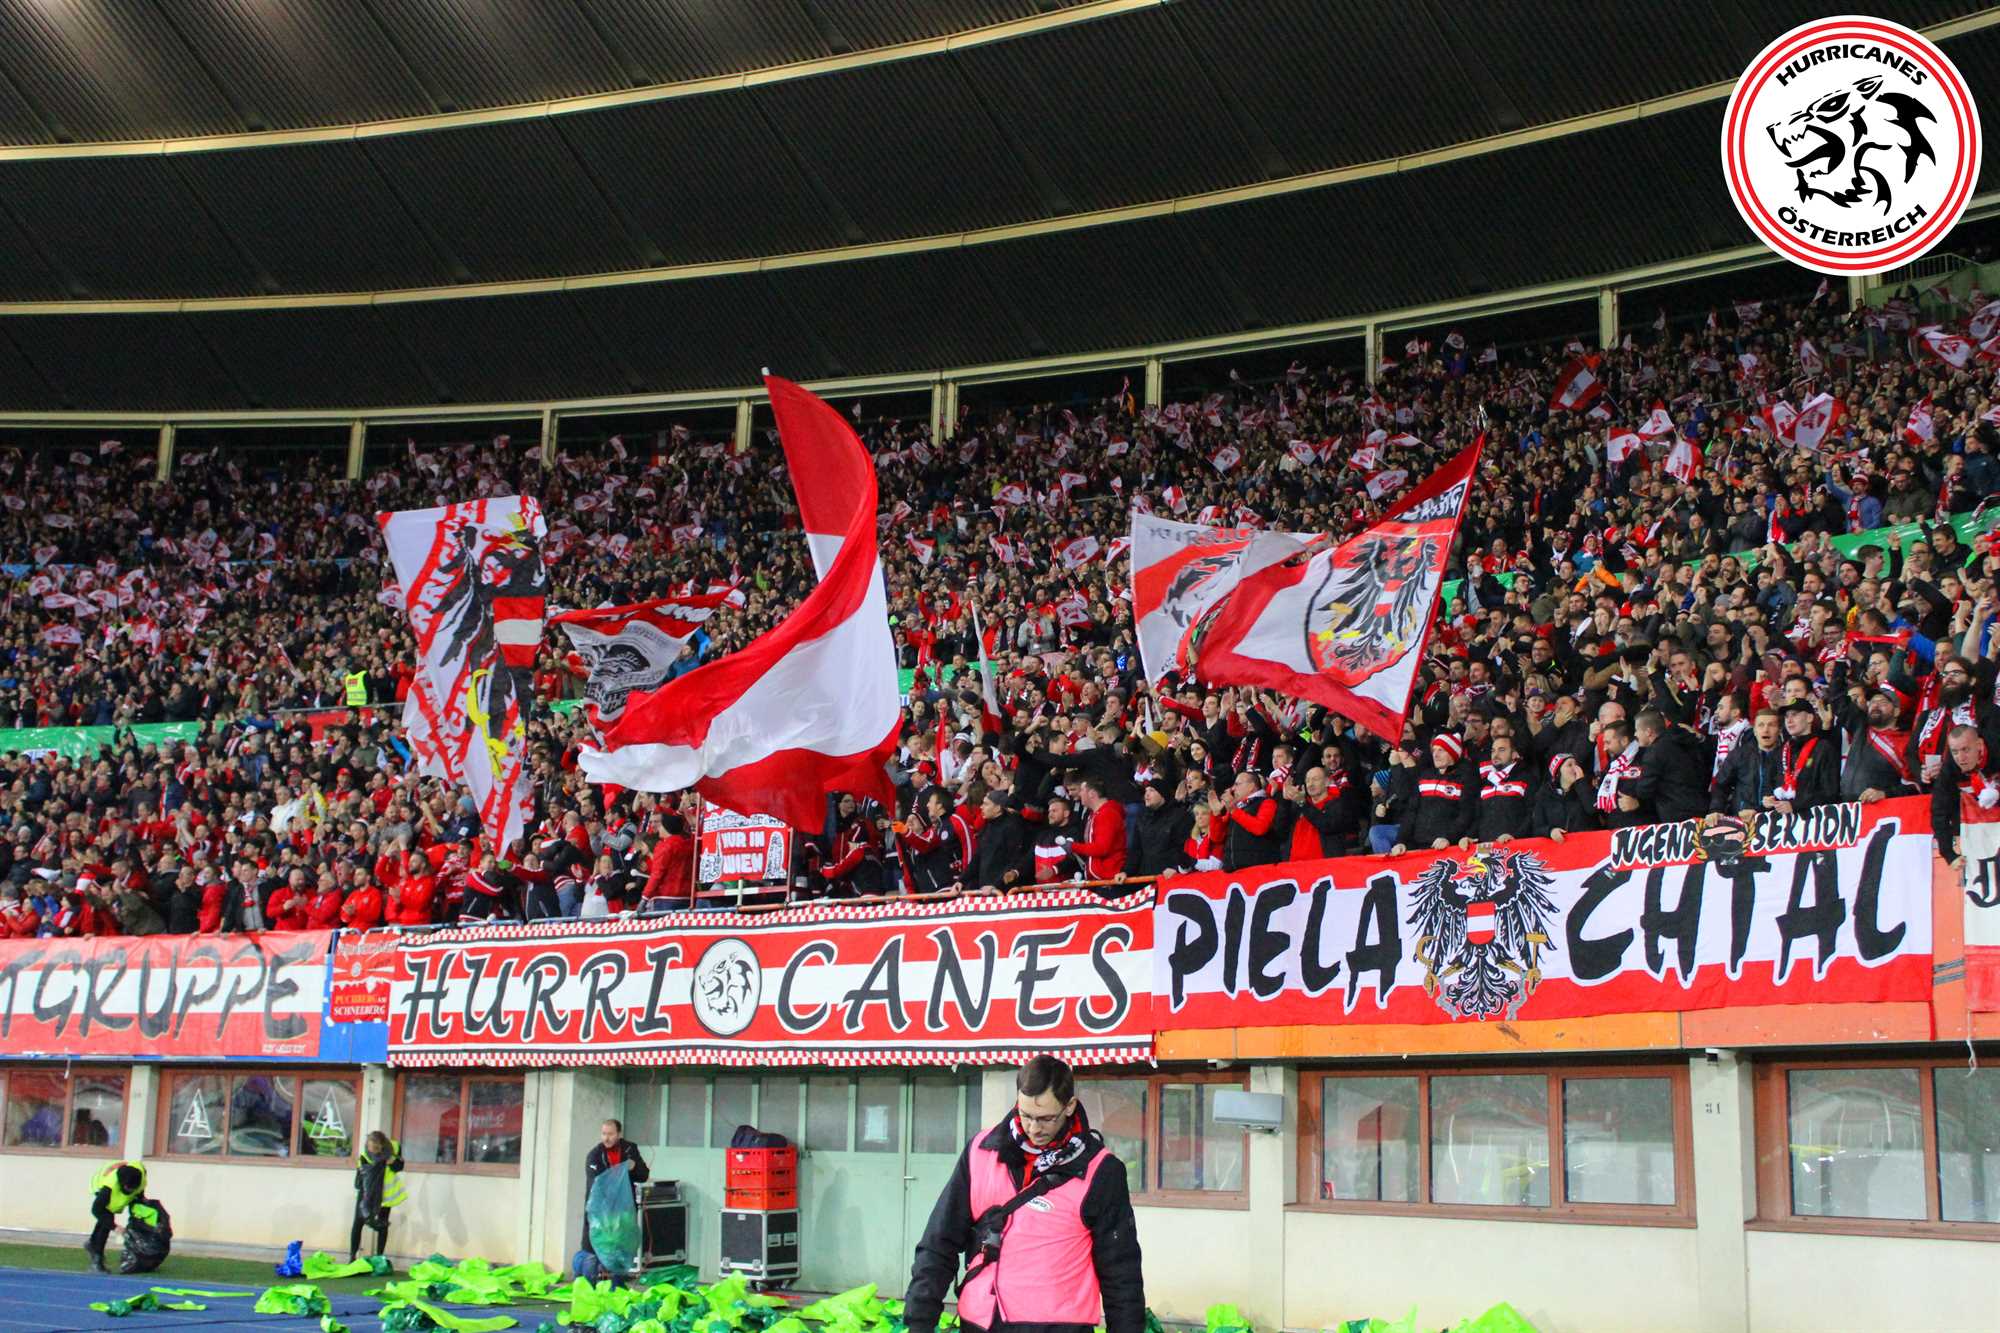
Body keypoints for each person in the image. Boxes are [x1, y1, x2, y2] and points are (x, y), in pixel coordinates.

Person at [906, 1055, 1143, 1333]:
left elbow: (1121, 1272)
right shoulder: (981, 1152)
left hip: (1058, 1328)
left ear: (1069, 1107)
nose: (1033, 1128)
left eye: (1046, 1118)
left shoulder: (1101, 1170)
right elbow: (939, 1242)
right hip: (982, 1322)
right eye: (1026, 1115)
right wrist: (919, 1322)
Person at [580, 1118, 650, 1271]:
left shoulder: (630, 1150)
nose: (606, 1138)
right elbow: (596, 1185)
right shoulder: (594, 1155)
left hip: (622, 1212)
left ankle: (618, 1280)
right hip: (601, 1212)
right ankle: (591, 1279)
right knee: (596, 1250)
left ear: (619, 1134)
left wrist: (634, 1167)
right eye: (604, 1134)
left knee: (621, 1249)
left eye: (610, 1134)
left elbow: (644, 1175)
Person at [349, 1131, 406, 1264]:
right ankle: (352, 1257)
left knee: (383, 1223)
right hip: (367, 1192)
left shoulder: (394, 1148)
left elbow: (399, 1167)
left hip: (386, 1193)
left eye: (375, 1149)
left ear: (382, 1146)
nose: (372, 1151)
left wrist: (392, 1161)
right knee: (358, 1222)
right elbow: (359, 1179)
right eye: (369, 1147)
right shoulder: (364, 1155)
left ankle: (380, 1256)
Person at [85, 1161, 147, 1273]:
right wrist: (115, 1227)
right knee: (107, 1218)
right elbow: (97, 1210)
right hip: (99, 1184)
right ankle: (96, 1258)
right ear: (122, 1184)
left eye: (133, 1188)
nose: (130, 1191)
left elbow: (139, 1194)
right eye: (128, 1188)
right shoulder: (108, 1188)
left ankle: (92, 1243)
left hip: (121, 1182)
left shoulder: (140, 1176)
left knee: (136, 1208)